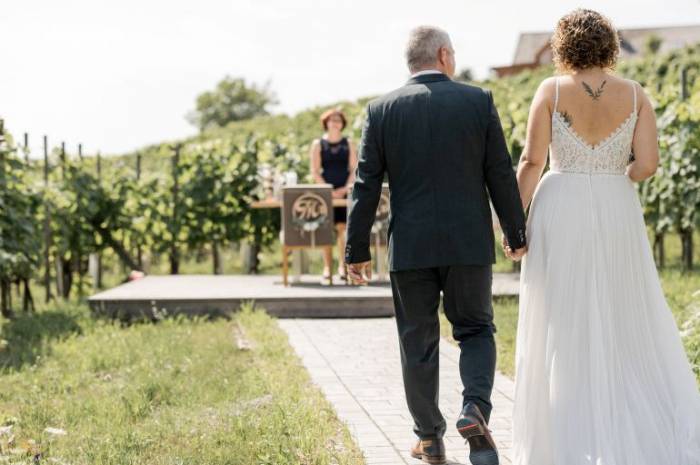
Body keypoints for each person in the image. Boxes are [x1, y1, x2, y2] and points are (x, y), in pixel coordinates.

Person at [510, 9, 700, 465]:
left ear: (563, 47)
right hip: (617, 206)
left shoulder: (550, 90)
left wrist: (514, 224)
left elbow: (532, 162)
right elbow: (648, 165)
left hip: (561, 205)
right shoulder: (635, 94)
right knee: (621, 308)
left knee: (560, 312)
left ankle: (565, 423)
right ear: (609, 46)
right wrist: (618, 174)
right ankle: (623, 414)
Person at [346, 26, 527, 465]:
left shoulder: (381, 109)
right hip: (467, 242)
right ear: (444, 55)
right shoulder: (477, 101)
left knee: (417, 341)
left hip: (410, 247)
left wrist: (356, 249)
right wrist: (515, 231)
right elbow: (499, 172)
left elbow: (366, 183)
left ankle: (429, 439)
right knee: (476, 330)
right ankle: (475, 410)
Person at [310, 108, 357, 281]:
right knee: (325, 230)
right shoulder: (318, 144)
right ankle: (327, 267)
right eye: (332, 119)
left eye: (338, 120)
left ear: (342, 124)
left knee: (342, 229)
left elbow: (354, 169)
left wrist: (345, 189)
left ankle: (343, 267)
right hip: (325, 192)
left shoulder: (349, 143)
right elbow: (315, 171)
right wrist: (328, 190)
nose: (335, 122)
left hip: (345, 191)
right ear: (326, 123)